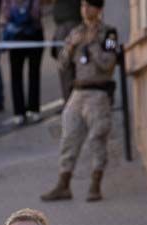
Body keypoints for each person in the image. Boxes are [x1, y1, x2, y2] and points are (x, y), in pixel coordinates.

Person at [40, 0, 117, 202]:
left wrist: (92, 45)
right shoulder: (76, 32)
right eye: (82, 6)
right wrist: (72, 44)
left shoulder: (109, 34)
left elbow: (108, 64)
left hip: (98, 92)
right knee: (68, 137)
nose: (84, 10)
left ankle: (95, 185)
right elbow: (62, 64)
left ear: (98, 10)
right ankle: (63, 184)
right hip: (78, 91)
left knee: (96, 139)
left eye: (89, 6)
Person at [0, 0, 43, 124]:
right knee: (27, 75)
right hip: (30, 36)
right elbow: (37, 14)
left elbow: (4, 17)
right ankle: (30, 111)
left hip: (20, 36)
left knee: (20, 76)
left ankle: (21, 112)